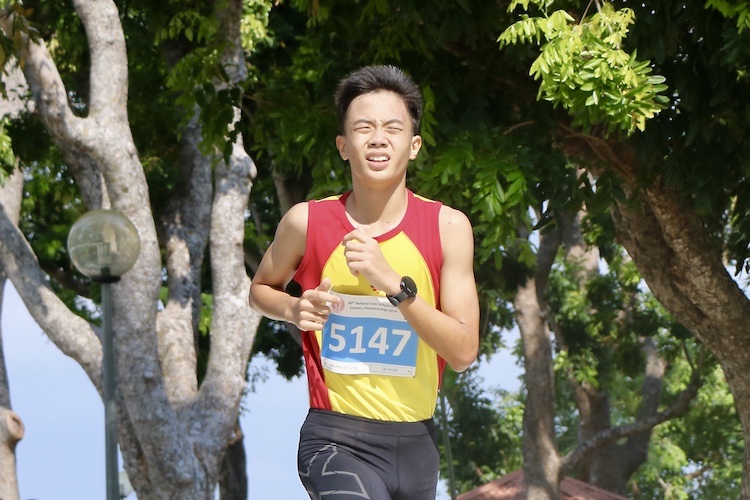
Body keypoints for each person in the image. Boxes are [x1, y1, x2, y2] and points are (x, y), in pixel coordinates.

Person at [248, 64, 479, 500]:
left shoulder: (449, 227)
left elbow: (464, 351)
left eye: (392, 128)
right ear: (343, 146)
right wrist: (295, 310)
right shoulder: (307, 221)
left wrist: (396, 287)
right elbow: (259, 291)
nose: (377, 138)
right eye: (363, 128)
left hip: (417, 446)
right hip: (336, 440)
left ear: (413, 146)